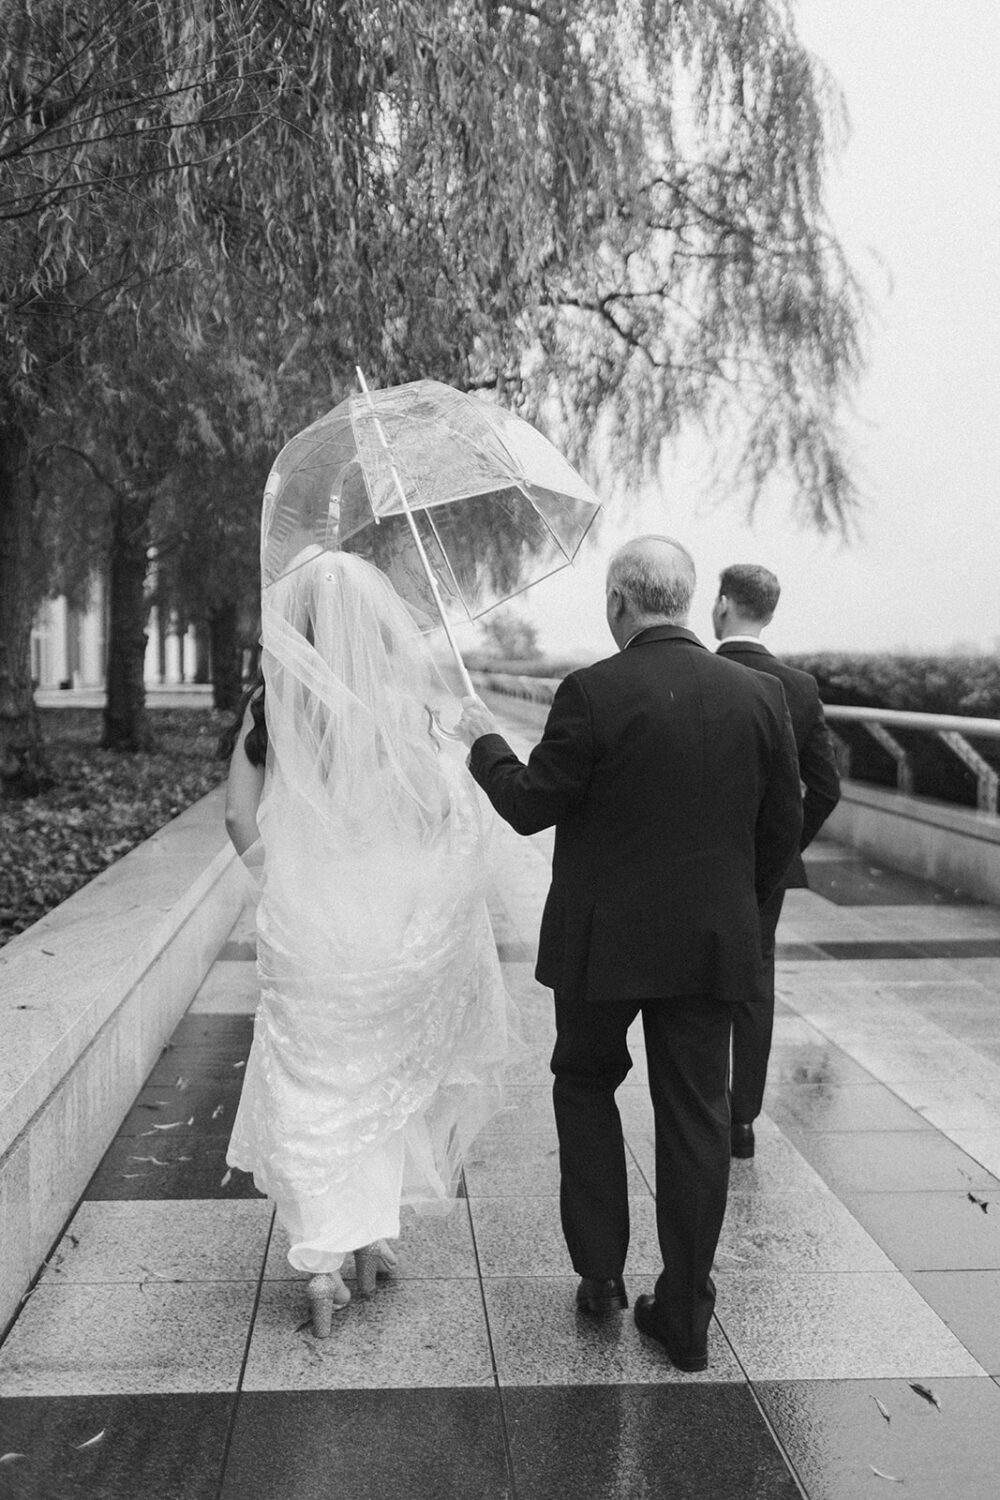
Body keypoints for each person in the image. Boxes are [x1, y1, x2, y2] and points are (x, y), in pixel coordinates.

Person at [456, 535, 802, 1372]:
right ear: (686, 602)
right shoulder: (760, 696)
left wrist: (483, 742)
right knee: (697, 1116)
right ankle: (684, 1313)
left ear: (618, 601)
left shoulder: (592, 692)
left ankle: (602, 1279)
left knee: (584, 1088)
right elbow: (781, 831)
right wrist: (739, 923)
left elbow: (531, 804)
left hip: (600, 947)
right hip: (711, 947)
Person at [222, 547, 518, 1337]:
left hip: (303, 922)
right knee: (381, 1080)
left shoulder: (271, 702)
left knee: (313, 1083)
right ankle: (368, 1244)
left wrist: (284, 884)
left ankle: (323, 1263)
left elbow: (236, 818)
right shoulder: (400, 705)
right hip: (385, 926)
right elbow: (436, 815)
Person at [712, 564, 841, 1158]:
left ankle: (703, 1107)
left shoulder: (706, 674)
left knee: (703, 979)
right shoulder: (801, 686)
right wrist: (785, 849)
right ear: (769, 611)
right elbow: (826, 787)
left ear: (721, 605)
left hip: (706, 857)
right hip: (769, 868)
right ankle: (743, 1120)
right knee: (756, 983)